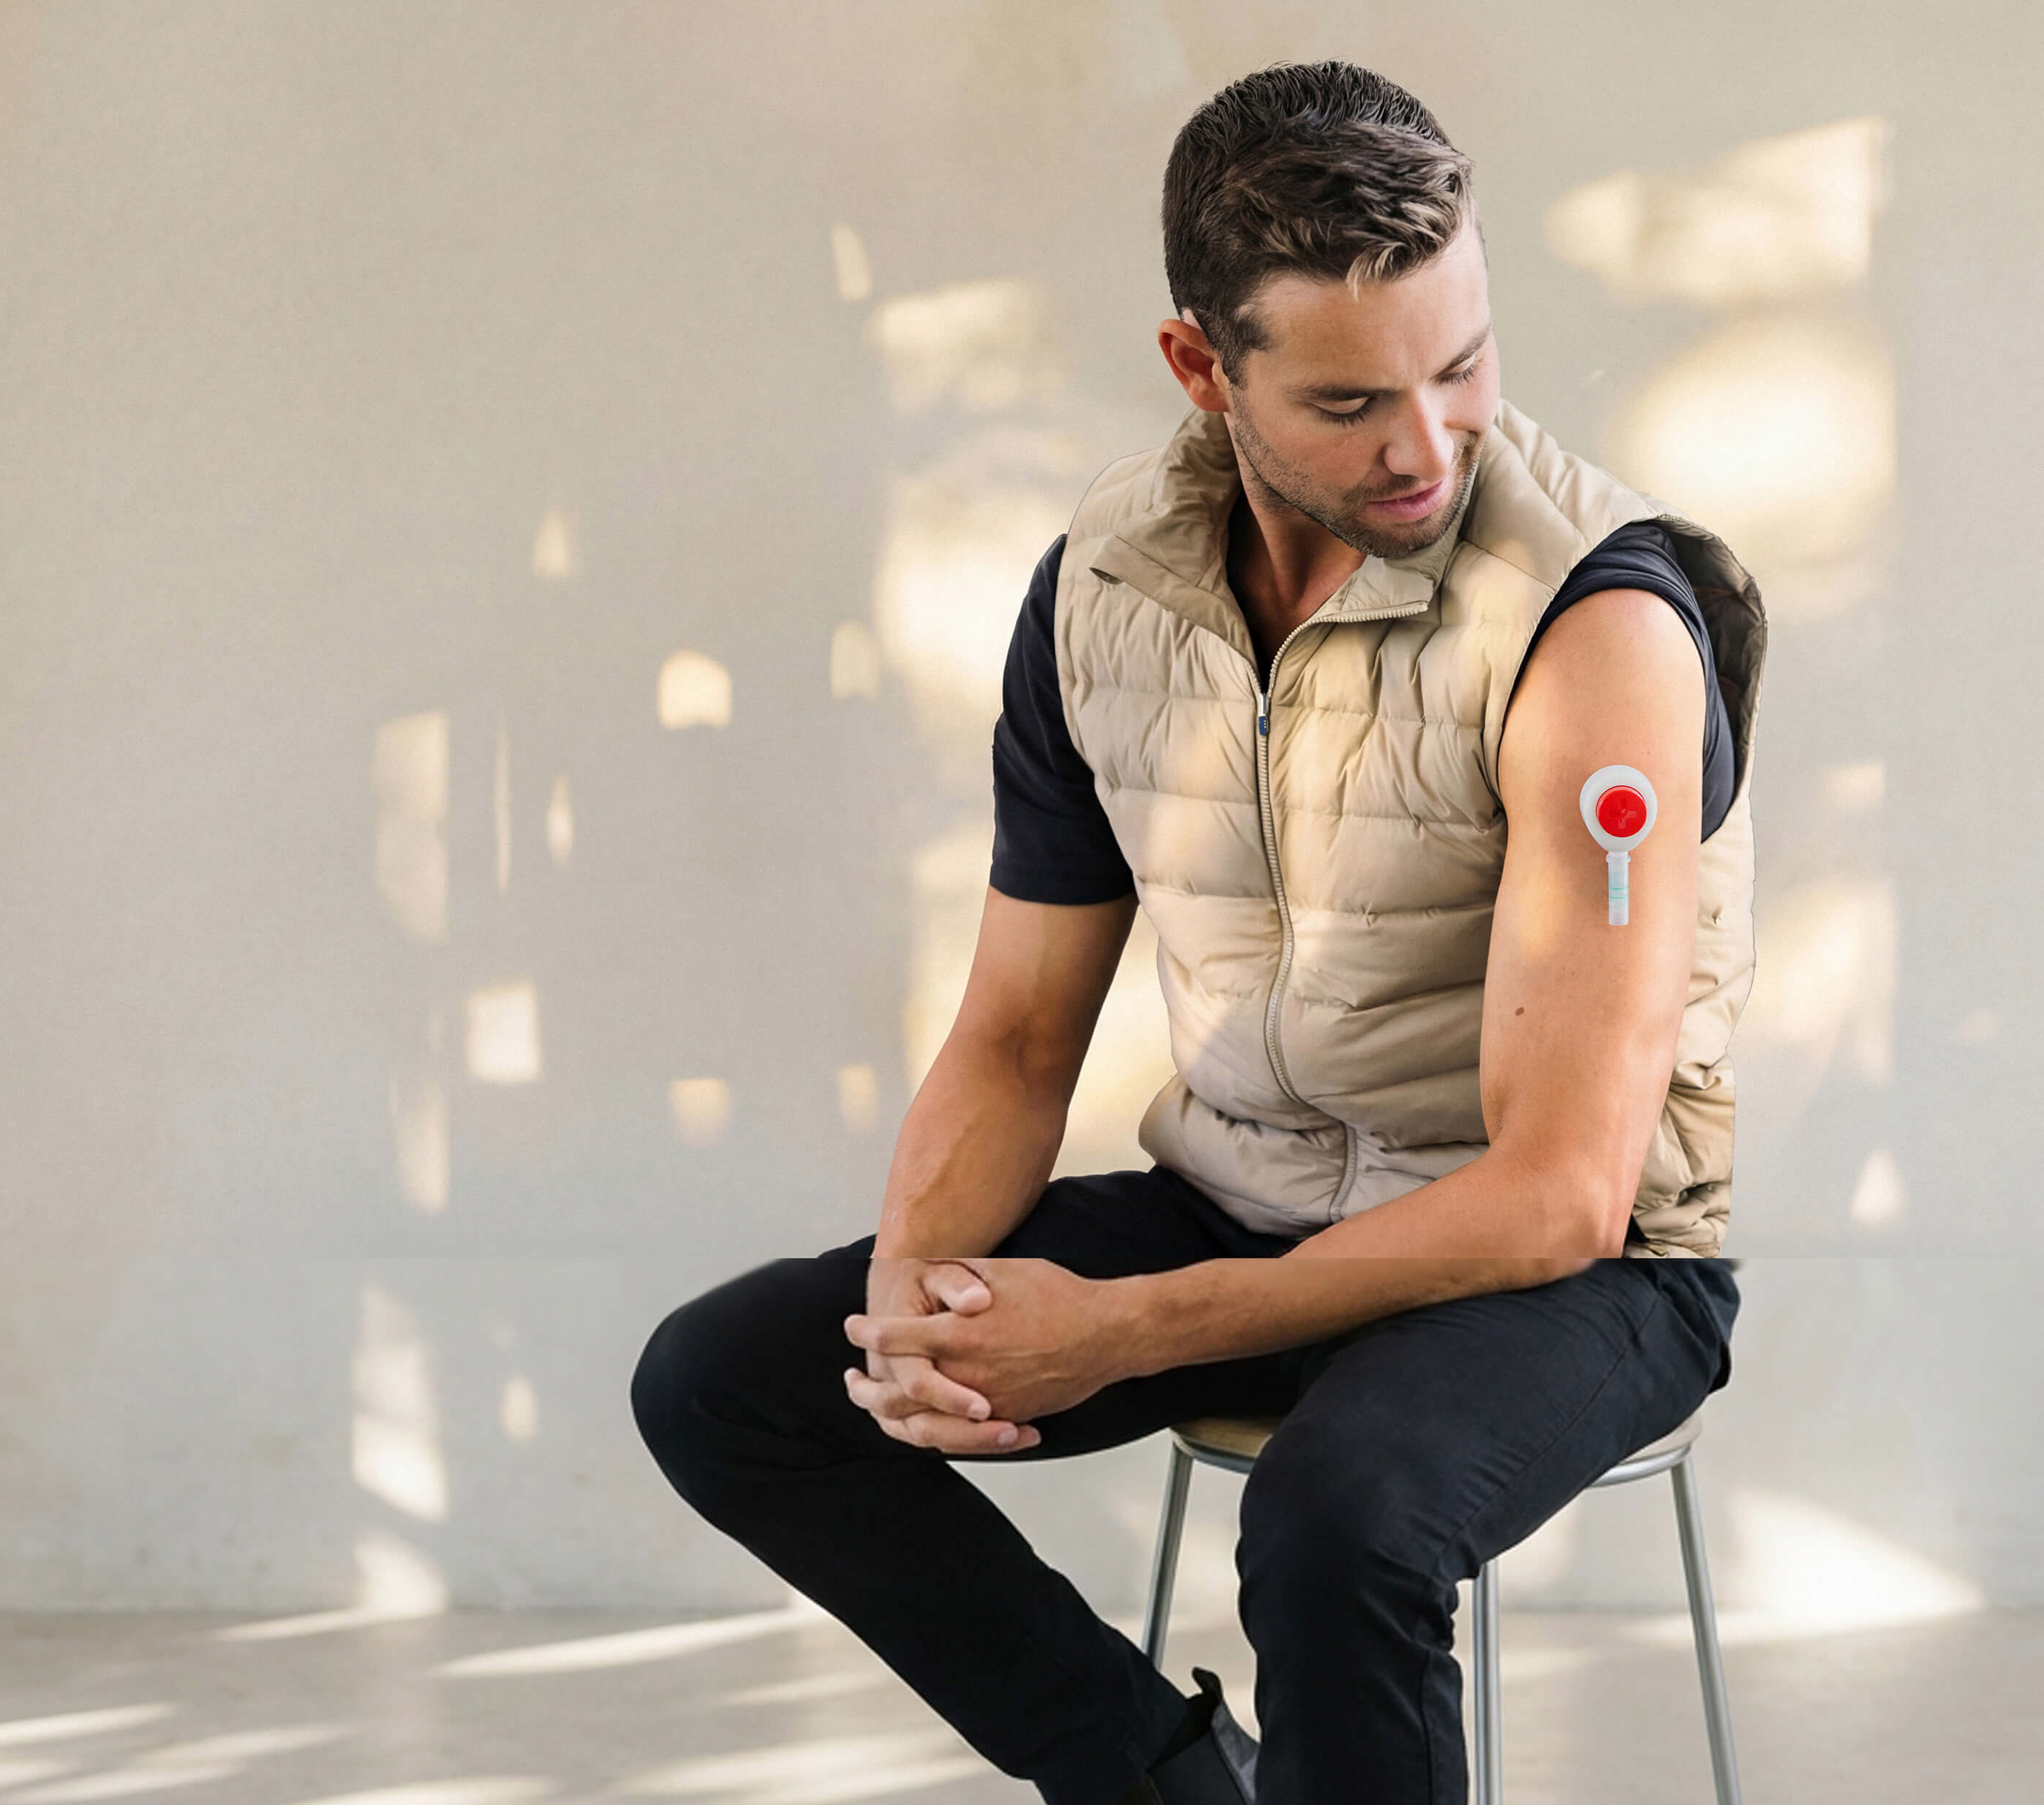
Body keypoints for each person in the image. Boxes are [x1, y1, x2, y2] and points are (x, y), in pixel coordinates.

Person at [631, 60, 1767, 1805]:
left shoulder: (1593, 625)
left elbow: (1563, 1193)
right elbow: (1017, 1035)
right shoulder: (1108, 588)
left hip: (1576, 1273)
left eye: (1463, 366)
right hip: (1249, 1191)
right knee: (734, 1382)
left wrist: (1129, 1328)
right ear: (1199, 366)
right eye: (1348, 400)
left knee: (1337, 1523)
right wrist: (908, 1311)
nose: (1427, 445)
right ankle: (1164, 1784)